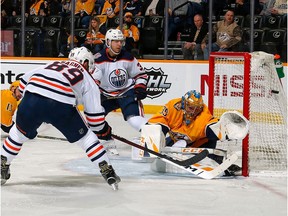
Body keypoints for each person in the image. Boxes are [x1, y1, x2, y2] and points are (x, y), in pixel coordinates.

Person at [1, 47, 120, 189]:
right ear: (87, 63)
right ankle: (107, 170)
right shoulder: (87, 77)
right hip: (60, 106)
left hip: (31, 100)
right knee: (86, 139)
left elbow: (22, 85)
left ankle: (3, 164)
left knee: (17, 134)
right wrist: (104, 130)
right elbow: (95, 120)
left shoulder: (52, 64)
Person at [93, 29, 148, 133]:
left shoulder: (128, 57)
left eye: (121, 41)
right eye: (116, 41)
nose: (119, 44)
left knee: (134, 119)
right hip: (106, 95)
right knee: (94, 120)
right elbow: (93, 81)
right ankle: (105, 138)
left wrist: (140, 87)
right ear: (108, 42)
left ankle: (153, 135)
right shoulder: (98, 59)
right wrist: (95, 92)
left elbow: (140, 75)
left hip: (126, 92)